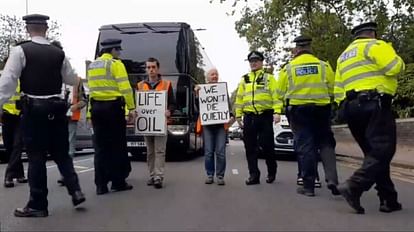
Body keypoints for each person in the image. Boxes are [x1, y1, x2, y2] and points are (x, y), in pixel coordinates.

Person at [0, 14, 85, 217]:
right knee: (61, 153)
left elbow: (7, 82)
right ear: (46, 29)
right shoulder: (59, 53)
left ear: (29, 29)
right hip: (56, 109)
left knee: (36, 157)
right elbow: (71, 79)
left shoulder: (20, 50)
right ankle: (75, 190)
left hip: (34, 110)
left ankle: (38, 204)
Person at [335, 22, 405, 214]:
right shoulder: (376, 46)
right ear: (372, 33)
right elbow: (394, 67)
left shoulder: (343, 57)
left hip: (351, 108)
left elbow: (338, 88)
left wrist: (343, 108)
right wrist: (394, 54)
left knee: (373, 155)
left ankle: (388, 199)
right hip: (375, 104)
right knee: (383, 150)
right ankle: (354, 185)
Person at [275, 35, 339, 197]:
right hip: (321, 109)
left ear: (296, 49)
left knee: (306, 146)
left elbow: (280, 93)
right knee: (326, 143)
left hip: (299, 111)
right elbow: (333, 88)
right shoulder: (323, 66)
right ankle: (332, 179)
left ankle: (308, 186)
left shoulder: (288, 69)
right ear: (310, 48)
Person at [87, 38, 135, 195]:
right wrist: (131, 108)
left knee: (100, 147)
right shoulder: (116, 64)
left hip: (96, 109)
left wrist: (89, 113)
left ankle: (101, 185)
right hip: (113, 108)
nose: (119, 53)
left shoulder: (92, 66)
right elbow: (125, 88)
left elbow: (91, 93)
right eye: (118, 50)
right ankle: (118, 182)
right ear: (113, 50)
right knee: (117, 145)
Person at [235, 51, 280, 185]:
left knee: (267, 147)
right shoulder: (245, 79)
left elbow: (275, 96)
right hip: (249, 117)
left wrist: (277, 112)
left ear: (261, 62)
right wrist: (238, 114)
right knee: (250, 147)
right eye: (251, 61)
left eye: (256, 61)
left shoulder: (269, 78)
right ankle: (253, 175)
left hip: (265, 116)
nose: (253, 63)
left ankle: (272, 170)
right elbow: (240, 98)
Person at [137, 57, 175, 189]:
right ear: (146, 69)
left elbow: (172, 103)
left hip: (160, 123)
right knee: (150, 151)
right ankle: (152, 175)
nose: (151, 70)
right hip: (147, 124)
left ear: (157, 68)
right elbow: (137, 104)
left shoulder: (167, 84)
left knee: (160, 151)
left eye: (153, 67)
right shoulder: (140, 85)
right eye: (149, 67)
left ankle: (159, 176)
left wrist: (169, 110)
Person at [195, 68, 234, 185]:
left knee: (221, 151)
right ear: (208, 77)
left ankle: (220, 176)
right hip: (208, 125)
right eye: (212, 74)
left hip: (221, 126)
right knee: (208, 152)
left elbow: (228, 106)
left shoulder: (222, 90)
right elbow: (198, 107)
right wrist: (197, 95)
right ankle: (210, 175)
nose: (215, 76)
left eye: (216, 74)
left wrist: (231, 116)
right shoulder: (202, 90)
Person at [57, 79, 87, 186]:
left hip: (71, 118)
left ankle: (65, 175)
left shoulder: (77, 81)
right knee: (59, 147)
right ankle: (66, 173)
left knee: (70, 147)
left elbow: (84, 100)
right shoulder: (53, 77)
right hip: (56, 118)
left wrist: (76, 106)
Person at [2, 81, 27, 188]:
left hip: (19, 117)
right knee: (9, 147)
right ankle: (20, 174)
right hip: (6, 116)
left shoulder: (23, 79)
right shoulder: (4, 78)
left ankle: (9, 175)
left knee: (17, 145)